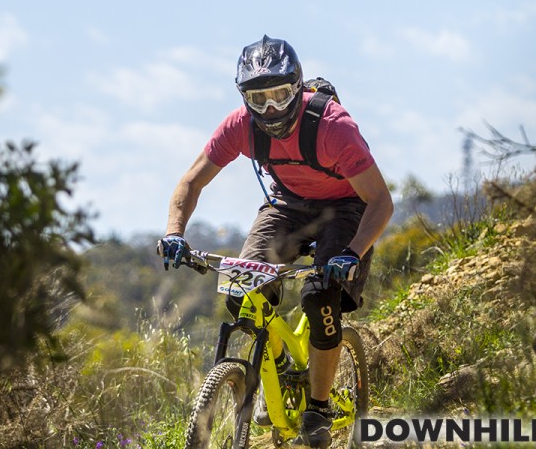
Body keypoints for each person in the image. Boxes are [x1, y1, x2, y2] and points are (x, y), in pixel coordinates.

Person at [158, 35, 393, 448]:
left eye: (280, 95)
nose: (269, 108)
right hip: (286, 206)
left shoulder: (333, 127)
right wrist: (175, 232)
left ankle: (318, 409)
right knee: (240, 289)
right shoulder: (240, 126)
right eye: (257, 98)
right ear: (243, 97)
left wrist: (352, 253)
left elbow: (381, 201)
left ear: (298, 88)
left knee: (320, 297)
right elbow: (190, 181)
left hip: (344, 206)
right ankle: (280, 364)